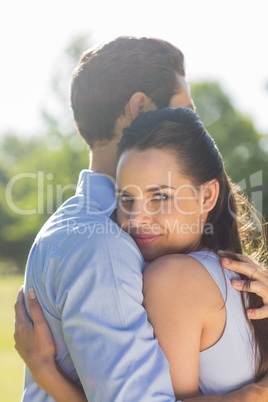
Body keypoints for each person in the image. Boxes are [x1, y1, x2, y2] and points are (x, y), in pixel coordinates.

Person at [14, 37, 268, 401]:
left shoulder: (72, 228)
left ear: (207, 196)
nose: (195, 128)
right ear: (140, 109)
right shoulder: (104, 243)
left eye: (160, 196)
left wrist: (47, 373)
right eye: (187, 112)